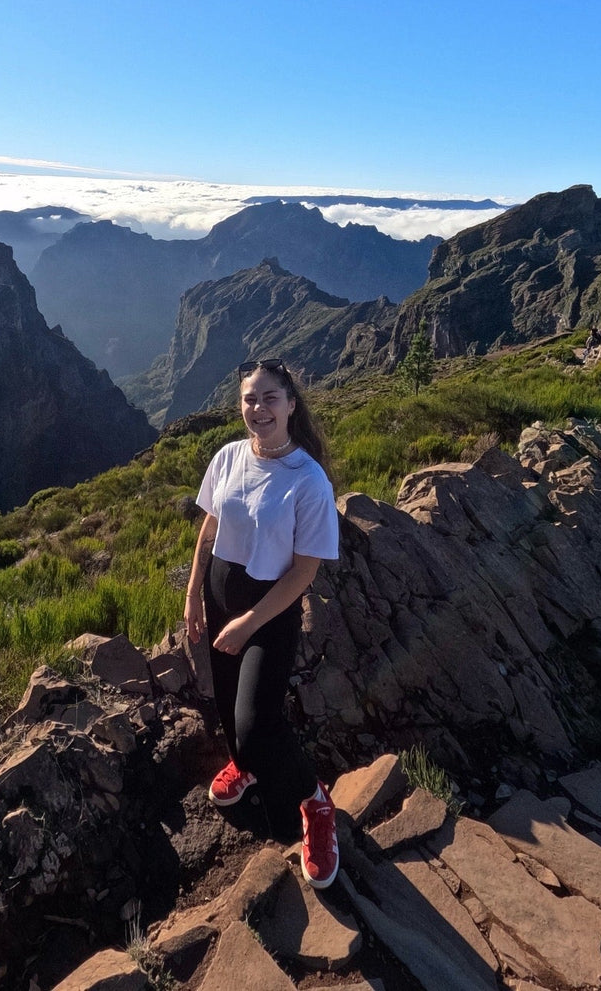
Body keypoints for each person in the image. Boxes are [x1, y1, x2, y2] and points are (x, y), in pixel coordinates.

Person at [185, 358, 341, 889]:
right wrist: (193, 597)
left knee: (256, 722)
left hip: (267, 611)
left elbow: (304, 572)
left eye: (270, 398)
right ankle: (244, 766)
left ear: (292, 405)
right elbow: (209, 527)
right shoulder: (228, 455)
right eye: (250, 399)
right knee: (228, 708)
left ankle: (316, 804)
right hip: (220, 594)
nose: (258, 409)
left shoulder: (309, 481)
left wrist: (249, 622)